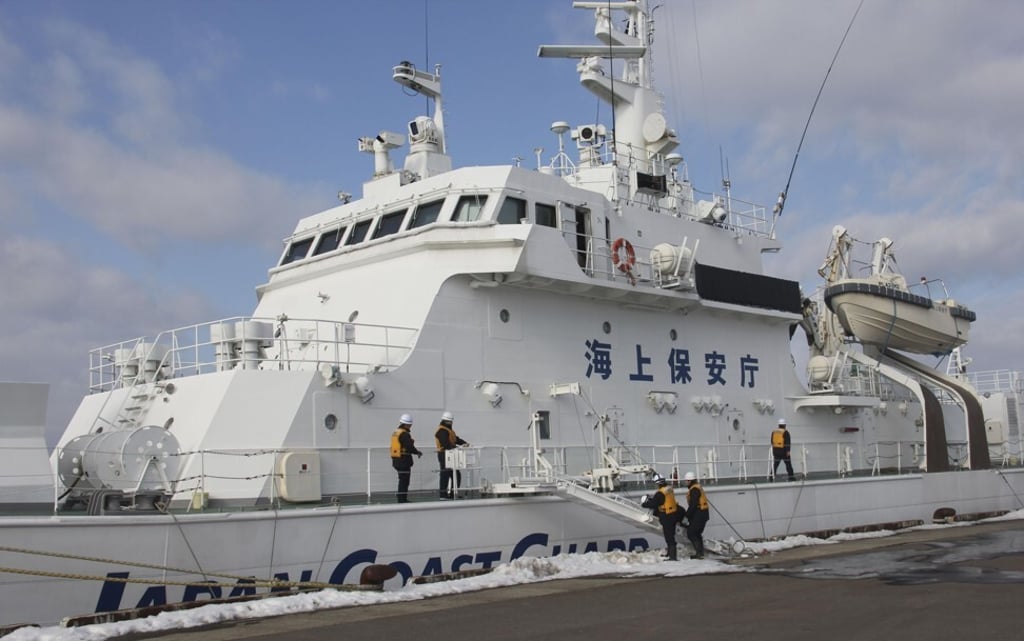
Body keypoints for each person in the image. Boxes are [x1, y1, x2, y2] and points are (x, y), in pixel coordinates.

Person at [641, 474, 680, 561]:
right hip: (673, 514)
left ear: (658, 483)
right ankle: (670, 554)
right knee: (671, 535)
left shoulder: (660, 493)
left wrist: (644, 504)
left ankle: (673, 557)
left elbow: (655, 503)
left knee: (669, 537)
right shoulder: (669, 489)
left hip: (667, 516)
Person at [434, 411, 469, 499]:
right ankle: (443, 495)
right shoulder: (441, 431)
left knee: (455, 474)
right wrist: (456, 446)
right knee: (445, 474)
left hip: (450, 454)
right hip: (444, 454)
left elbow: (455, 439)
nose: (450, 423)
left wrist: (464, 443)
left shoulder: (448, 430)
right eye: (449, 421)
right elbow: (446, 444)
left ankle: (453, 494)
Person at [390, 413, 422, 503]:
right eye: (410, 425)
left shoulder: (396, 432)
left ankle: (401, 497)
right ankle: (402, 499)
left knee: (402, 479)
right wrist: (417, 452)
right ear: (408, 424)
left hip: (396, 459)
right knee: (404, 481)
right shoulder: (404, 434)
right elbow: (409, 447)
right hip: (403, 461)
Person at [682, 471, 709, 559]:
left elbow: (693, 504)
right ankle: (700, 552)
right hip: (702, 513)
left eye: (686, 481)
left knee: (691, 533)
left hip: (699, 513)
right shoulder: (696, 488)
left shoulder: (694, 490)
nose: (686, 483)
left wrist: (686, 516)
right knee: (697, 533)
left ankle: (699, 553)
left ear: (690, 481)